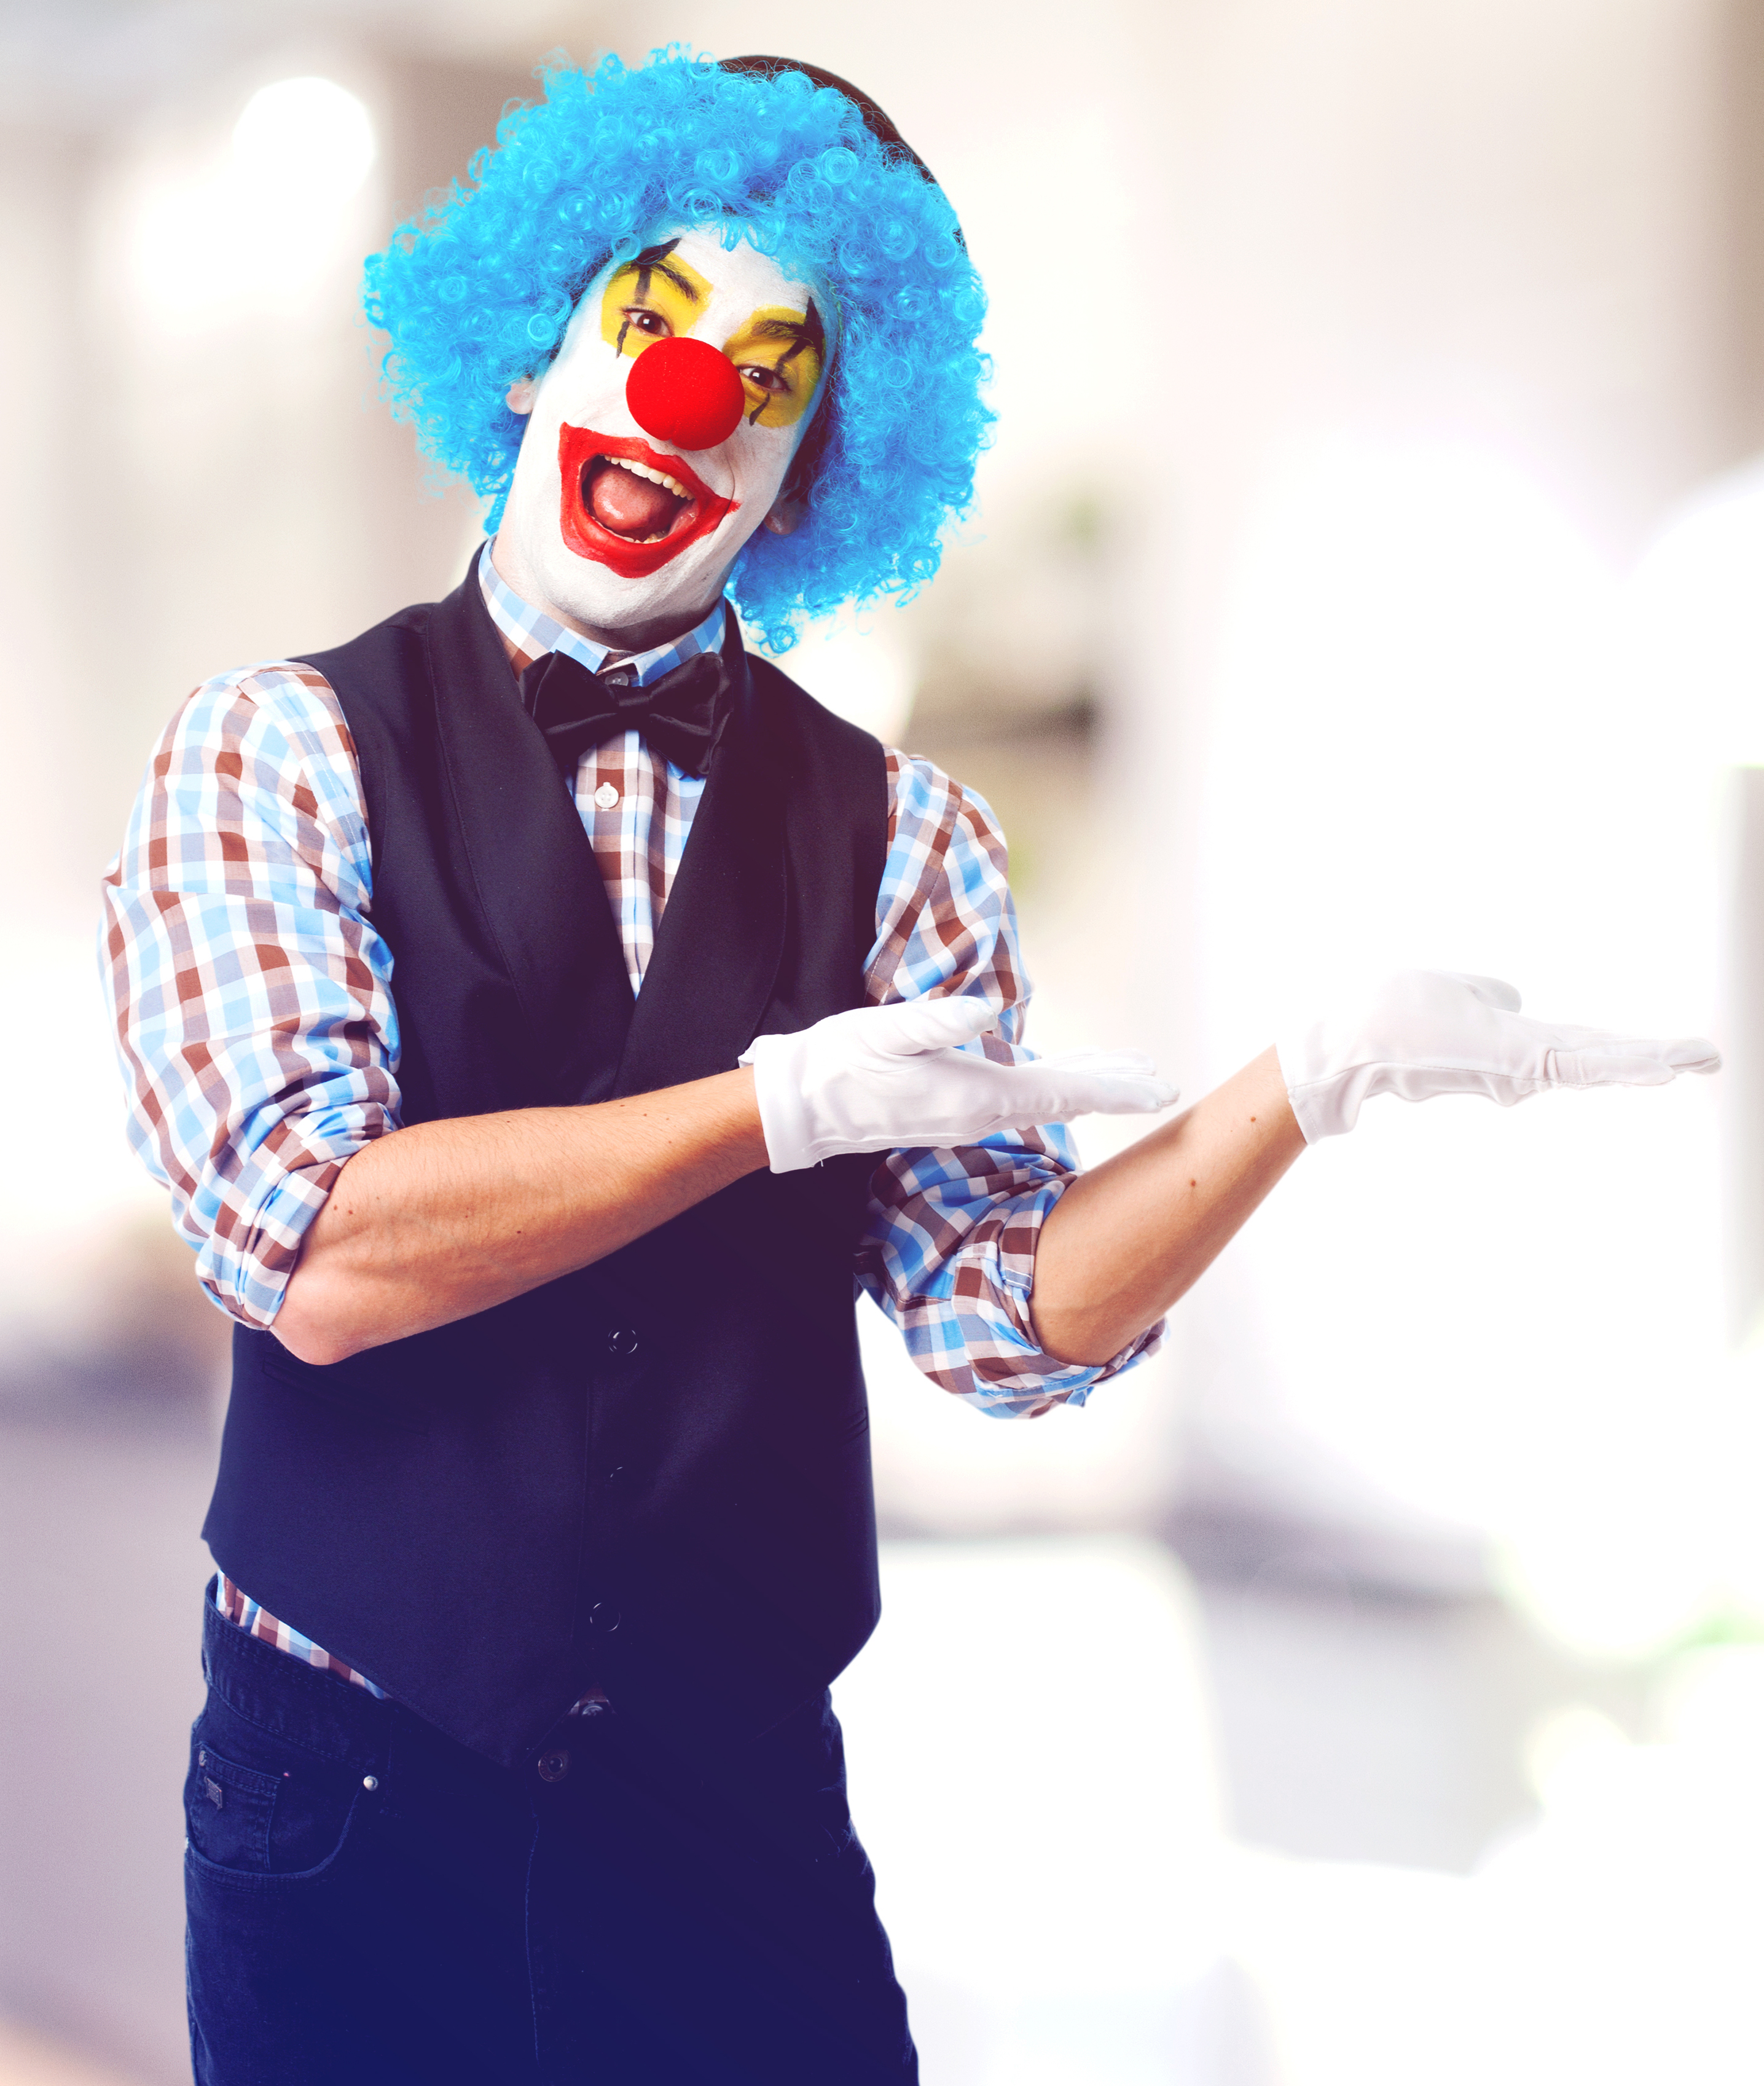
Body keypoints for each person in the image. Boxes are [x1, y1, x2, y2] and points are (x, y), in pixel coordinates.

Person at [100, 48, 1717, 2086]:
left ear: (808, 477)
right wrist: (768, 1107)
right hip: (355, 1788)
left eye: (770, 374)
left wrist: (1298, 1086)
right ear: (532, 344)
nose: (695, 394)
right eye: (655, 318)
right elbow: (315, 1252)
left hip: (732, 1812)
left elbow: (999, 1320)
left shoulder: (907, 836)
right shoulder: (273, 750)